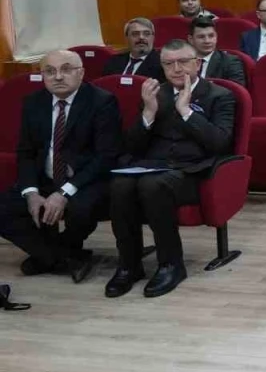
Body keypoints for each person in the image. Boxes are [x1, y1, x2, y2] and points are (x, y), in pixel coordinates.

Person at [106, 40, 236, 299]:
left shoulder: (219, 95)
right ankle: (129, 264)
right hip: (153, 167)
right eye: (168, 63)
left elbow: (219, 143)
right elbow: (133, 146)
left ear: (197, 63)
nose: (176, 69)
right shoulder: (156, 94)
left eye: (183, 62)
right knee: (119, 185)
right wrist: (149, 114)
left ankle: (171, 264)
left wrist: (187, 112)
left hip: (193, 172)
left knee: (153, 185)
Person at [0, 50, 120, 283]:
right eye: (50, 71)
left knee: (81, 209)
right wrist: (31, 192)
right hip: (45, 178)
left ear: (81, 73)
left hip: (84, 181)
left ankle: (51, 254)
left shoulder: (102, 101)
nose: (57, 77)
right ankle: (62, 256)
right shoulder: (33, 102)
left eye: (66, 69)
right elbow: (26, 153)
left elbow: (106, 157)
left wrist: (64, 192)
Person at [187, 17, 246, 86]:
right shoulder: (182, 61)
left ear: (216, 37)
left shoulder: (230, 62)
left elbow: (237, 91)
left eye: (211, 36)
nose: (207, 41)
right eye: (201, 37)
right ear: (191, 39)